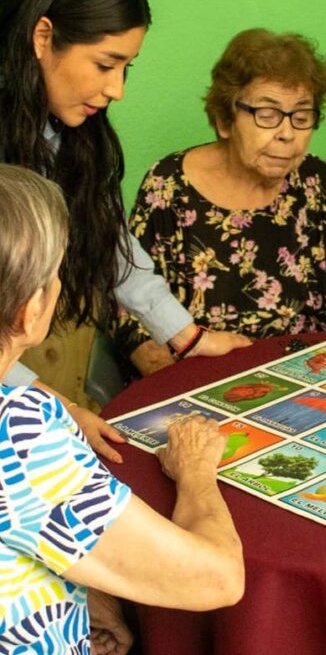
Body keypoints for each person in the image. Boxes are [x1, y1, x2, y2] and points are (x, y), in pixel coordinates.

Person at [0, 0, 251, 461]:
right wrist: (50, 405)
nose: (116, 89)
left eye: (126, 68)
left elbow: (107, 234)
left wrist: (185, 336)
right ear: (43, 37)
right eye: (105, 64)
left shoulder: (66, 127)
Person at [0, 164, 244, 653]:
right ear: (30, 310)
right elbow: (218, 578)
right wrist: (195, 470)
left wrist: (86, 593)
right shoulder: (20, 429)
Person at [114, 28, 326, 376]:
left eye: (302, 117)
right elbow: (131, 316)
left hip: (309, 376)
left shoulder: (314, 181)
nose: (287, 133)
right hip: (205, 379)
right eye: (267, 114)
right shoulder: (169, 187)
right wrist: (185, 393)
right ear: (225, 119)